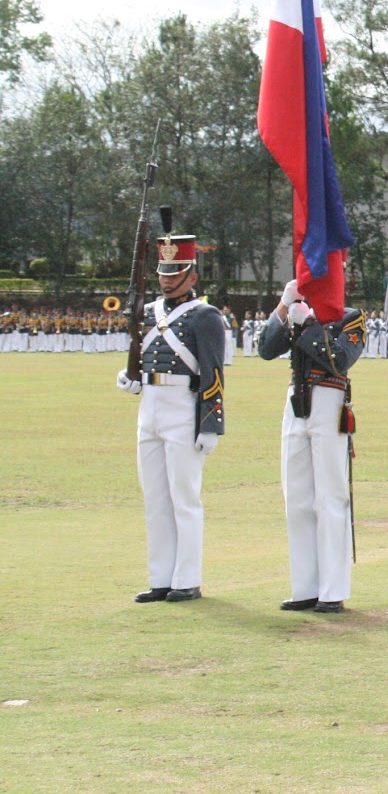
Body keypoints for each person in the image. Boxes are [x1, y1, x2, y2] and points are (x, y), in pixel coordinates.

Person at [118, 212, 227, 604]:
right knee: (156, 499)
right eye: (163, 271)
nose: (166, 278)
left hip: (183, 407)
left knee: (185, 498)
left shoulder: (205, 316)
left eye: (175, 271)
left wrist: (210, 423)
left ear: (191, 276)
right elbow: (141, 360)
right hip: (150, 408)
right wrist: (130, 378)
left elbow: (214, 372)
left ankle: (187, 579)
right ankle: (160, 577)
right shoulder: (146, 313)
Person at [258, 278, 366, 613]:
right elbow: (265, 348)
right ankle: (304, 586)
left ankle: (333, 589)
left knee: (330, 498)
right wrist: (284, 304)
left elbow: (340, 359)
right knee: (298, 499)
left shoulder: (351, 317)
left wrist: (307, 327)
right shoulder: (296, 309)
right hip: (296, 402)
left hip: (329, 401)